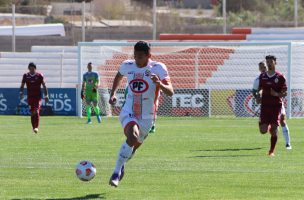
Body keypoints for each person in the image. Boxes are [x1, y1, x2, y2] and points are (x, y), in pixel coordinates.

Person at [108, 41, 174, 187]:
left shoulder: (158, 68)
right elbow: (118, 76)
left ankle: (122, 164)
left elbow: (170, 91)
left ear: (148, 55)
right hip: (129, 111)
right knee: (132, 136)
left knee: (132, 147)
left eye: (140, 57)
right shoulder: (127, 65)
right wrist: (113, 93)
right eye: (135, 56)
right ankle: (116, 172)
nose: (137, 60)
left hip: (147, 116)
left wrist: (159, 84)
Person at [252, 61, 292, 150]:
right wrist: (257, 97)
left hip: (277, 103)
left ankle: (288, 143)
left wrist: (277, 94)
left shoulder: (277, 76)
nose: (263, 69)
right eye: (261, 68)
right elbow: (255, 91)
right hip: (266, 104)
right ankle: (266, 124)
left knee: (282, 120)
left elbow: (283, 90)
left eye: (264, 67)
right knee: (265, 129)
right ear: (259, 69)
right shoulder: (259, 79)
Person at [20, 62, 49, 134]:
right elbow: (22, 85)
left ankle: (37, 127)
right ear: (28, 68)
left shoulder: (39, 76)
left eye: (33, 68)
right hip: (30, 97)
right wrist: (21, 93)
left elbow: (44, 86)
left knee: (36, 111)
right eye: (30, 68)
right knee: (32, 113)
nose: (32, 70)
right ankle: (34, 128)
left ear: (35, 69)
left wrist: (46, 95)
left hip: (38, 97)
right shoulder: (25, 76)